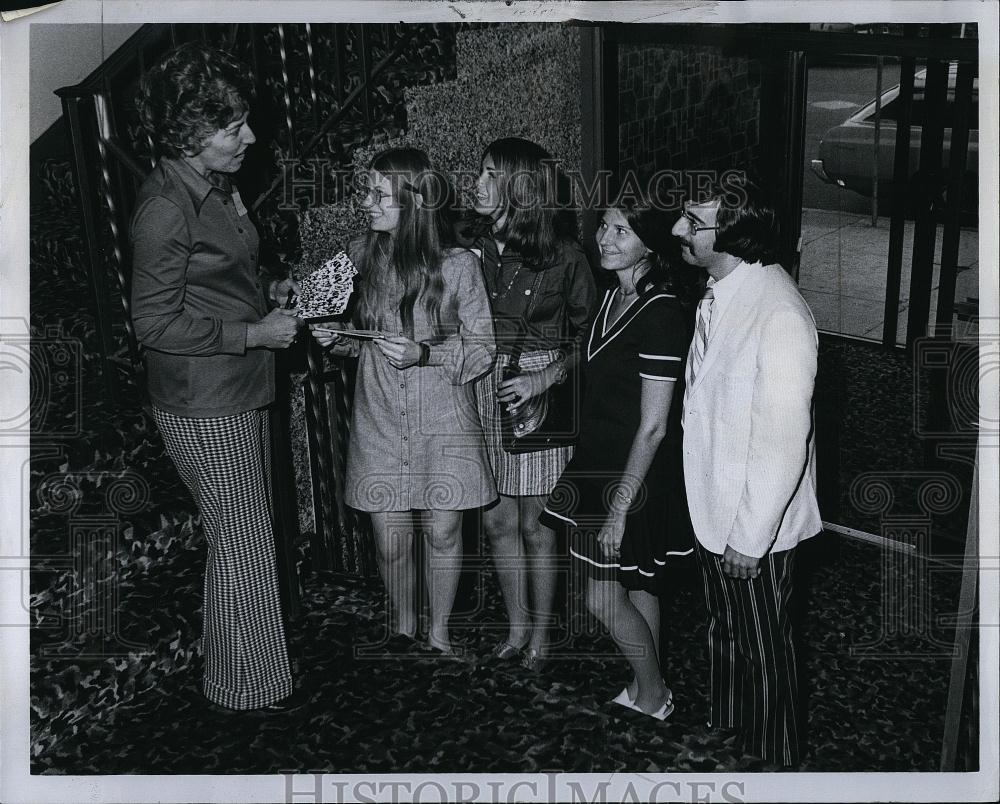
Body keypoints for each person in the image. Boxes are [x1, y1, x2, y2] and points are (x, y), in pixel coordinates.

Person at [130, 42, 303, 712]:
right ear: (190, 133)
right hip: (204, 400)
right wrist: (254, 333)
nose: (249, 137)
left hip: (237, 387)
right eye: (233, 128)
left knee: (241, 539)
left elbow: (220, 278)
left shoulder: (215, 185)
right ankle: (253, 691)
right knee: (243, 542)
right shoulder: (166, 208)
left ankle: (239, 684)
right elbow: (152, 324)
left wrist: (268, 290)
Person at [311, 147, 496, 655]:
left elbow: (483, 349)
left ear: (414, 200)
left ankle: (439, 635)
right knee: (391, 542)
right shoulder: (359, 255)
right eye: (365, 192)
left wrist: (425, 353)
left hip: (444, 419)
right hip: (380, 418)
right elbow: (354, 338)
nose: (365, 203)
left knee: (443, 532)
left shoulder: (459, 265)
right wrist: (337, 338)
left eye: (378, 194)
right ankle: (403, 628)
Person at [671, 174, 821, 767]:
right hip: (716, 507)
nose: (678, 229)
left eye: (693, 222)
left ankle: (776, 761)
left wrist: (750, 539)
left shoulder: (779, 313)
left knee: (764, 647)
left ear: (733, 234)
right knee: (725, 631)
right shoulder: (724, 290)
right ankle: (729, 729)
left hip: (755, 526)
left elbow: (783, 444)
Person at [540, 195, 695, 717]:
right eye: (604, 226)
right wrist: (545, 379)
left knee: (601, 597)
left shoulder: (662, 312)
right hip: (600, 459)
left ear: (650, 245)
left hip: (634, 475)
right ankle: (648, 687)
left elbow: (654, 426)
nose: (605, 239)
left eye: (621, 231)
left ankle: (654, 692)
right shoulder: (613, 295)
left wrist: (620, 507)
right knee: (638, 584)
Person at [463, 137, 596, 671]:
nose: (477, 184)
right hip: (480, 387)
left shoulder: (565, 256)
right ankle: (516, 629)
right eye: (480, 171)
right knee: (496, 522)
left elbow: (592, 338)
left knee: (536, 526)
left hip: (537, 395)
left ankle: (542, 634)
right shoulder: (467, 244)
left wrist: (547, 376)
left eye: (491, 175)